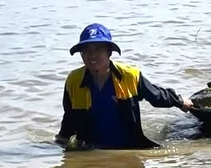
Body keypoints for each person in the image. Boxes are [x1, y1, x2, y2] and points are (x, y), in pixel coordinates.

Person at [55, 23, 192, 150]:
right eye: (86, 50)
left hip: (128, 147)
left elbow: (156, 96)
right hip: (91, 148)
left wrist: (179, 102)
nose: (92, 56)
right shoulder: (74, 80)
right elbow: (69, 117)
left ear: (109, 52)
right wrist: (61, 142)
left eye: (98, 49)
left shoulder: (130, 76)